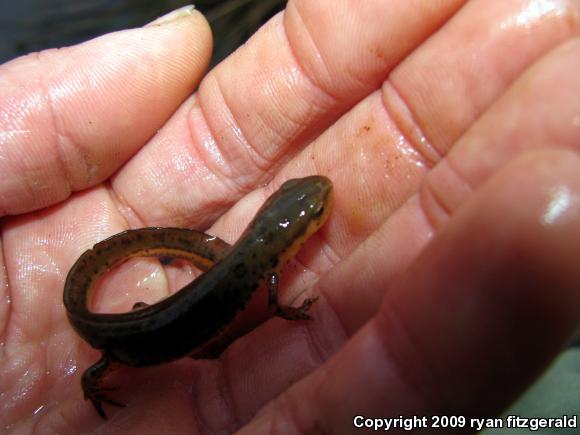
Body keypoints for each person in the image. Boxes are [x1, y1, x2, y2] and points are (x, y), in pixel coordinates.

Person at [1, 2, 579, 432]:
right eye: (313, 213)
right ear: (287, 235)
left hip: (135, 330)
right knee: (115, 351)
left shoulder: (250, 255)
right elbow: (274, 302)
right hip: (125, 340)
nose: (321, 213)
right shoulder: (266, 271)